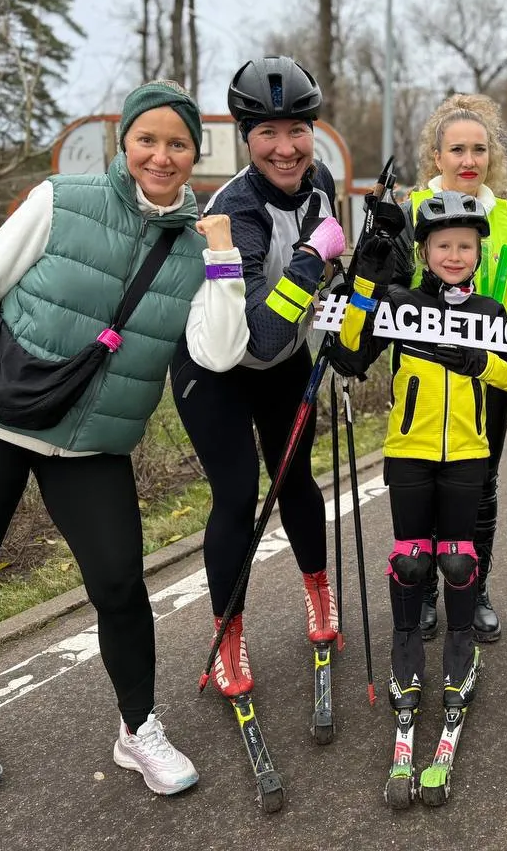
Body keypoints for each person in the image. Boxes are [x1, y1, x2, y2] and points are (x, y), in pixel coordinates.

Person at [0, 80, 250, 796]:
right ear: (125, 143)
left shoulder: (195, 245)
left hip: (91, 444)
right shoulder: (60, 200)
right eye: (148, 138)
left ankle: (137, 729)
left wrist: (225, 261)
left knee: (119, 585)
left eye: (178, 144)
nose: (162, 155)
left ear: (194, 157)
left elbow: (220, 352)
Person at [168, 56, 347, 702]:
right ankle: (229, 632)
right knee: (238, 495)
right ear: (246, 138)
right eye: (267, 133)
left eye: (297, 129)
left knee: (296, 476)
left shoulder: (321, 180)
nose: (286, 147)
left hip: (281, 359)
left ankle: (319, 598)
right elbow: (259, 334)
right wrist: (309, 258)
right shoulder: (235, 211)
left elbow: (323, 288)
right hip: (215, 364)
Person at [332, 192, 507, 716]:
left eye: (465, 246)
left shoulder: (491, 312)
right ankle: (405, 644)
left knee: (457, 556)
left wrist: (482, 364)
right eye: (443, 245)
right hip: (409, 449)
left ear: (478, 253)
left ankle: (461, 644)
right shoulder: (402, 304)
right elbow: (351, 353)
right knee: (412, 556)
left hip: (468, 451)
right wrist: (364, 283)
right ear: (424, 251)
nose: (454, 255)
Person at [389, 93, 507, 643]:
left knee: (481, 486)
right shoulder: (410, 209)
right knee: (422, 490)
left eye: (479, 149)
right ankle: (420, 590)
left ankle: (474, 584)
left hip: (486, 370)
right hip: (424, 376)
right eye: (456, 149)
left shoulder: (506, 219)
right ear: (436, 156)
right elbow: (389, 285)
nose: (469, 160)